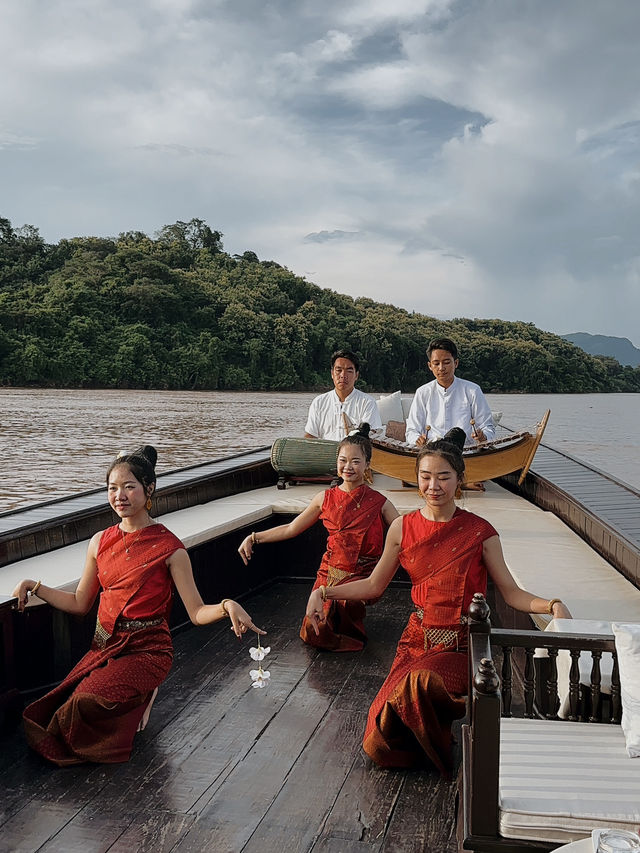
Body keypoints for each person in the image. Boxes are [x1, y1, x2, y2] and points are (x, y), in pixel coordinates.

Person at [305, 428, 571, 775]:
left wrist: (550, 605)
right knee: (378, 734)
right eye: (425, 477)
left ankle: (440, 741)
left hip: (463, 645)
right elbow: (372, 586)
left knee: (421, 684)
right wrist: (324, 592)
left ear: (460, 479)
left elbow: (510, 592)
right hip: (416, 640)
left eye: (443, 477)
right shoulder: (402, 527)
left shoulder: (480, 531)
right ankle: (427, 736)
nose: (433, 486)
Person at [12, 446, 264, 767]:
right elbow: (79, 603)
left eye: (129, 487)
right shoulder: (99, 541)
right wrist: (34, 586)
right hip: (105, 647)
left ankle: (145, 691)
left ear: (149, 490)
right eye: (112, 488)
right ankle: (138, 698)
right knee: (53, 713)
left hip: (149, 650)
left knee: (81, 707)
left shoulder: (171, 549)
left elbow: (197, 612)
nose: (120, 496)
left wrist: (226, 605)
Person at [239, 425, 398, 651]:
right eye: (343, 460)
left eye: (355, 461)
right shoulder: (324, 497)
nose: (348, 466)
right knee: (315, 631)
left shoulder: (380, 502)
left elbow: (405, 532)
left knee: (344, 623)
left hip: (361, 577)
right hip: (329, 572)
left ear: (367, 464)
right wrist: (254, 537)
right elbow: (291, 528)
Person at [405, 337, 495, 447]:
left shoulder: (473, 390)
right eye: (436, 363)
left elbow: (487, 427)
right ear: (430, 366)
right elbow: (412, 431)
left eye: (446, 362)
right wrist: (417, 440)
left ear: (456, 363)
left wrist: (483, 437)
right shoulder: (422, 392)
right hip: (432, 453)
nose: (441, 368)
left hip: (465, 452)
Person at [305, 349, 382, 441]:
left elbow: (371, 436)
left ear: (356, 375)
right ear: (332, 373)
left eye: (349, 371)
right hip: (326, 453)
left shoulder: (367, 402)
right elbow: (310, 436)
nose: (343, 375)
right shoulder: (319, 402)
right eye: (338, 370)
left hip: (355, 454)